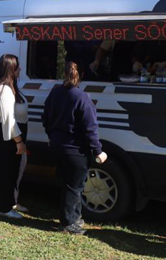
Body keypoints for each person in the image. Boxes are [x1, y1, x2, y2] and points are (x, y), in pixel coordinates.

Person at [42, 60, 106, 234]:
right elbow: (90, 128)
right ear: (82, 75)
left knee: (68, 185)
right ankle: (68, 223)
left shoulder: (55, 93)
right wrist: (98, 150)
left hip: (57, 147)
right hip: (75, 151)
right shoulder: (82, 97)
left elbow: (45, 117)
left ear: (63, 74)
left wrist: (51, 135)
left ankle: (75, 218)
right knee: (74, 187)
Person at [0, 54, 28, 220]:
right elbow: (8, 120)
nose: (20, 69)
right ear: (11, 69)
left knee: (12, 170)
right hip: (5, 137)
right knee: (5, 172)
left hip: (8, 135)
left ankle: (11, 202)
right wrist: (19, 141)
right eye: (17, 67)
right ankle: (4, 208)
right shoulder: (4, 90)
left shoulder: (8, 87)